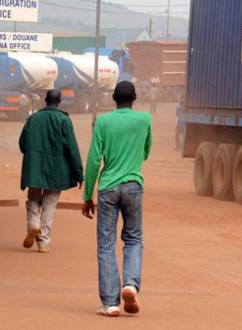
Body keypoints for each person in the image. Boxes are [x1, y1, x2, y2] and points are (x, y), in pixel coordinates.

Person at [82, 81, 152, 317]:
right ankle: (130, 285)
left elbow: (93, 161)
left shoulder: (103, 122)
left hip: (108, 187)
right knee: (133, 238)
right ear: (135, 97)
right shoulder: (145, 120)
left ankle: (110, 303)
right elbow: (146, 151)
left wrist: (87, 195)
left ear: (113, 98)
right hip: (134, 185)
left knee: (106, 243)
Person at [18, 89, 83, 253]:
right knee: (50, 204)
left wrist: (33, 155)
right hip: (57, 169)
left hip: (34, 167)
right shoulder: (63, 120)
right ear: (59, 101)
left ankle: (33, 223)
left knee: (33, 195)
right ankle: (43, 241)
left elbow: (22, 143)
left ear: (45, 100)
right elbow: (72, 149)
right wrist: (79, 173)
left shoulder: (33, 119)